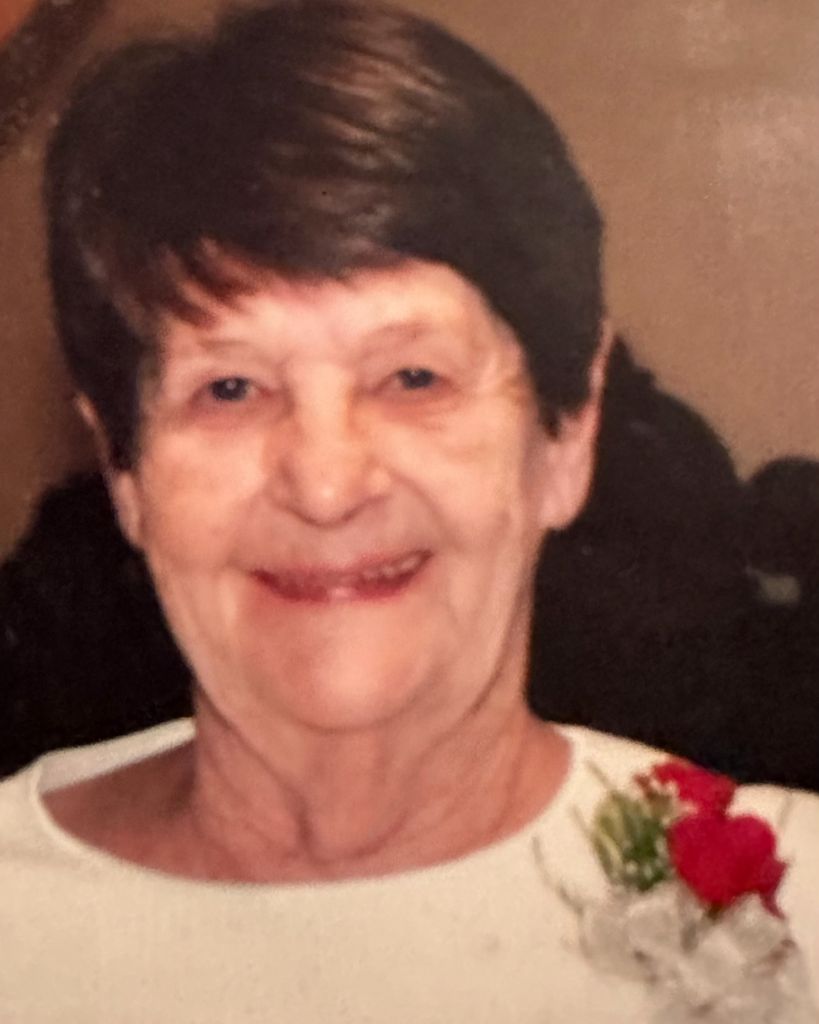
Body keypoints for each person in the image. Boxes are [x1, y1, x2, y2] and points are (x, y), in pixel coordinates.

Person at [0, 1, 816, 1020]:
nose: (326, 484)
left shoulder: (801, 911)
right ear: (124, 469)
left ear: (566, 434)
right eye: (230, 388)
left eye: (413, 377)